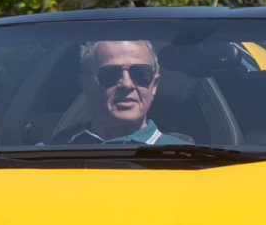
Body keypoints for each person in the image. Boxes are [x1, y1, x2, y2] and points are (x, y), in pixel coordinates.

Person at [57, 38, 193, 145]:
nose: (127, 84)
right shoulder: (47, 158)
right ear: (86, 85)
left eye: (140, 74)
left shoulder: (191, 164)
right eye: (111, 74)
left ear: (155, 85)